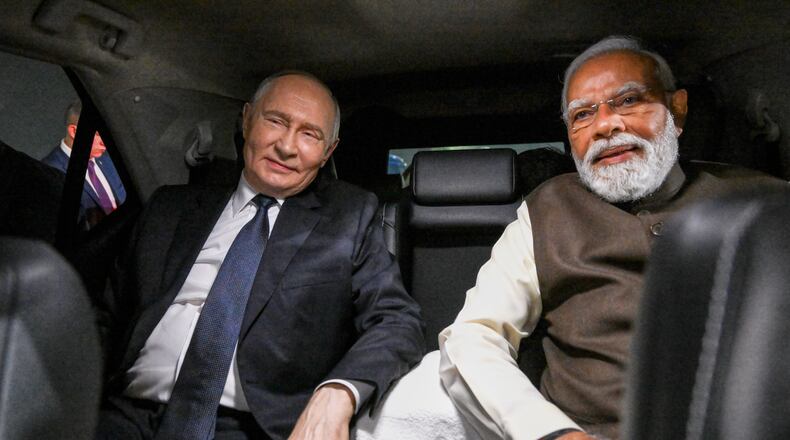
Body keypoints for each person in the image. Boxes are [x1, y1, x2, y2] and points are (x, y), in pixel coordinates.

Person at [437, 36, 785, 440]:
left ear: (678, 109)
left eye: (628, 101)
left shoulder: (766, 203)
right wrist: (550, 432)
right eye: (582, 114)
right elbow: (475, 335)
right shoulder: (547, 210)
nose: (605, 125)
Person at [98, 71, 424, 439]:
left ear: (328, 151)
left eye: (309, 134)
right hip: (123, 414)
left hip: (251, 427)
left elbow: (397, 321)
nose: (287, 146)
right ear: (248, 119)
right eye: (276, 121)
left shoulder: (349, 218)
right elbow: (107, 316)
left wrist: (338, 392)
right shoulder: (170, 208)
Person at [41, 100, 126, 228]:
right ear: (74, 131)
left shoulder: (109, 158)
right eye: (97, 134)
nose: (104, 142)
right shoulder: (49, 172)